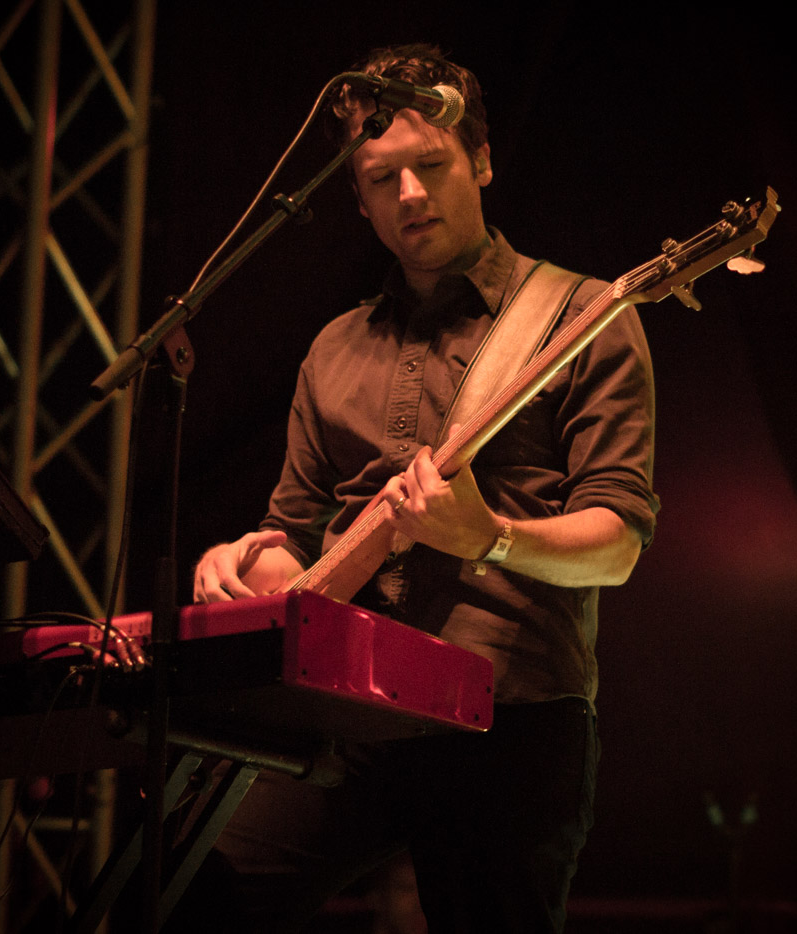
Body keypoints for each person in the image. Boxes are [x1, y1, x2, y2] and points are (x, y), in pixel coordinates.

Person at [184, 43, 658, 933]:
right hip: (345, 711)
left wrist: (491, 537)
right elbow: (289, 534)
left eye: (431, 166)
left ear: (480, 160)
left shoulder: (587, 317)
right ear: (355, 196)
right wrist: (241, 559)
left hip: (507, 717)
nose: (409, 195)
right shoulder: (331, 349)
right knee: (194, 897)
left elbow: (620, 540)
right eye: (381, 178)